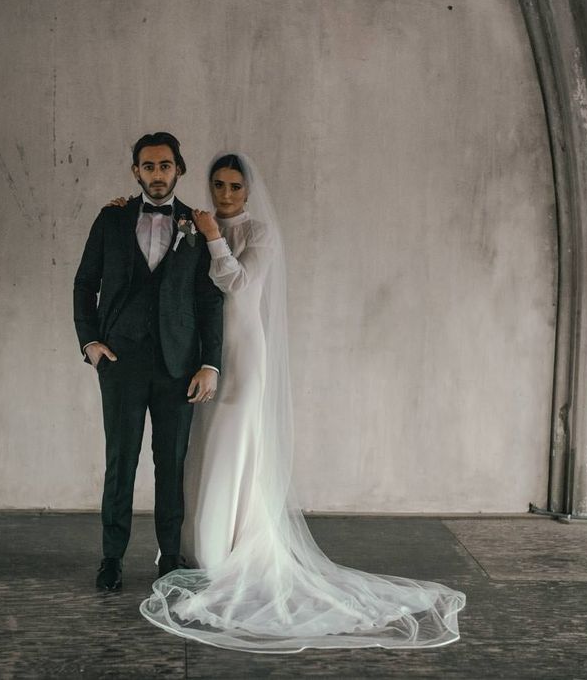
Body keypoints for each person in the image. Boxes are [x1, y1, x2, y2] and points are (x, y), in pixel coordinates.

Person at [121, 153, 465, 651]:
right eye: (218, 185)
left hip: (243, 353)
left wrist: (213, 237)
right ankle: (199, 547)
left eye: (235, 187)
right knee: (201, 446)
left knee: (234, 446)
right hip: (201, 354)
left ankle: (225, 552)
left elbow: (237, 284)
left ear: (248, 191)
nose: (224, 195)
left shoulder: (256, 234)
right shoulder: (191, 223)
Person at [73, 132, 223, 592]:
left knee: (171, 463)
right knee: (121, 460)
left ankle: (170, 557)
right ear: (135, 171)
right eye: (148, 166)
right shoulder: (111, 219)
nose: (157, 174)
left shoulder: (197, 225)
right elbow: (84, 284)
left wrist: (209, 363)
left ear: (179, 168)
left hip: (178, 365)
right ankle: (112, 558)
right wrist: (90, 342)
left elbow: (209, 300)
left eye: (165, 165)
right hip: (121, 361)